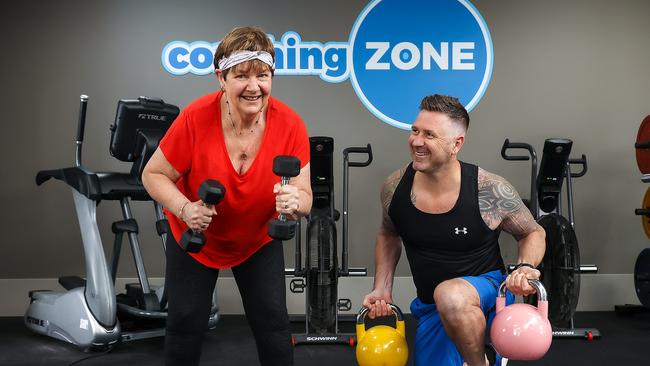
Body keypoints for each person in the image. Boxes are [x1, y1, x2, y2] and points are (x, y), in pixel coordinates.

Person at [142, 26, 312, 366]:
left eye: (262, 75)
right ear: (222, 78)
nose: (254, 87)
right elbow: (153, 173)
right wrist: (185, 208)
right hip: (197, 233)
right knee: (185, 323)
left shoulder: (290, 124)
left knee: (274, 324)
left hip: (256, 238)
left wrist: (296, 204)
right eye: (241, 76)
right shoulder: (195, 117)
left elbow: (305, 194)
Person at [362, 94, 546, 366]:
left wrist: (525, 267)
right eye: (415, 130)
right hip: (431, 306)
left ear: (456, 144)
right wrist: (381, 288)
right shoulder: (395, 187)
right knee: (444, 298)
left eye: (429, 135)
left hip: (487, 294)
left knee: (449, 294)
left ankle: (479, 362)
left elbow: (533, 232)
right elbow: (388, 234)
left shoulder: (489, 189)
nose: (416, 141)